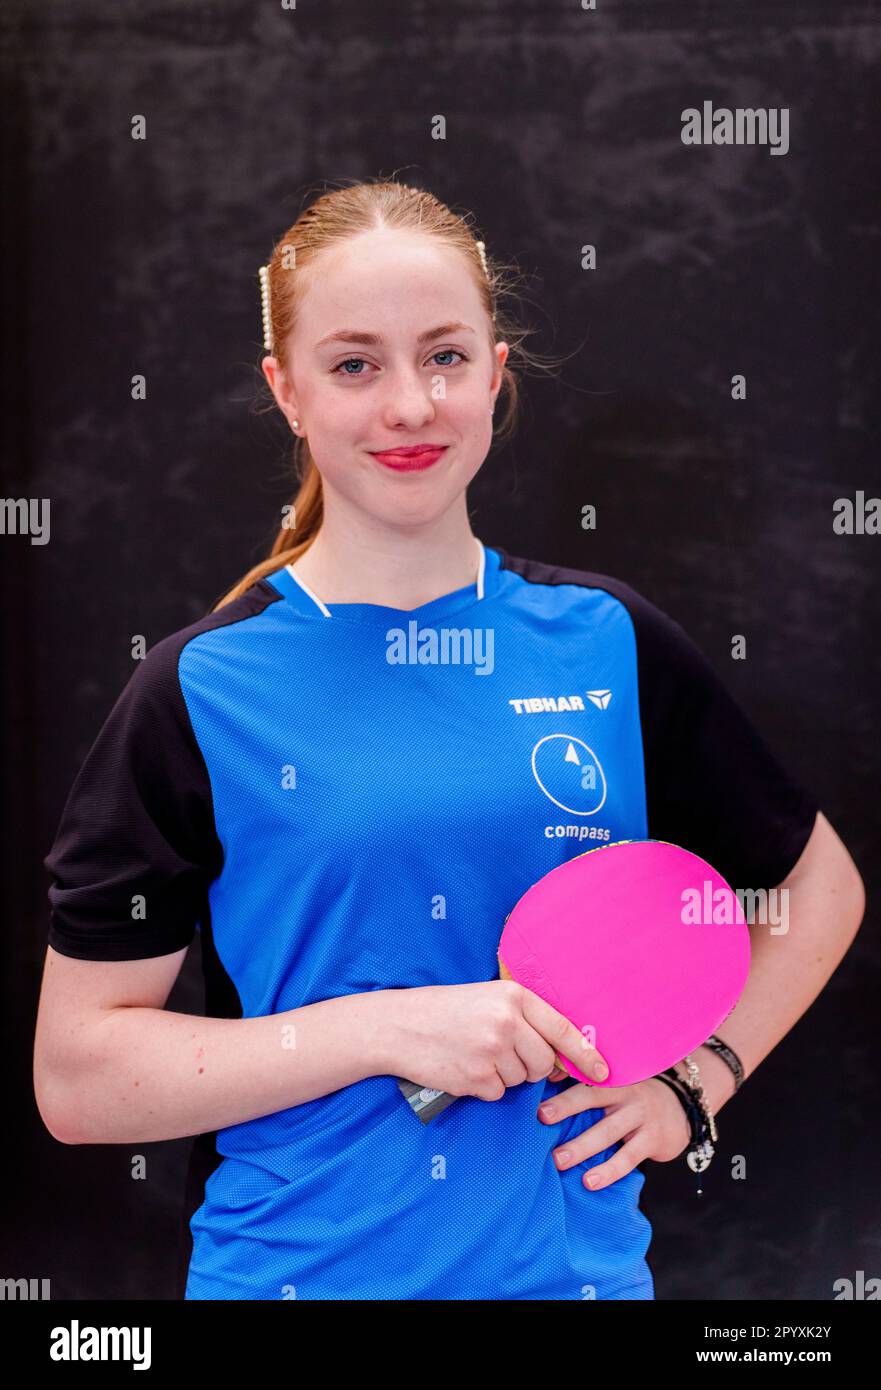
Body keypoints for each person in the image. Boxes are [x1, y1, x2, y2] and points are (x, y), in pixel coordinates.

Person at [34, 180, 865, 1301]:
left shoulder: (605, 643)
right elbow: (78, 1079)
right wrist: (386, 1029)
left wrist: (693, 1084)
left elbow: (815, 888)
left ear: (495, 372)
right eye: (353, 364)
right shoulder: (198, 691)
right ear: (284, 392)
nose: (410, 406)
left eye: (444, 356)